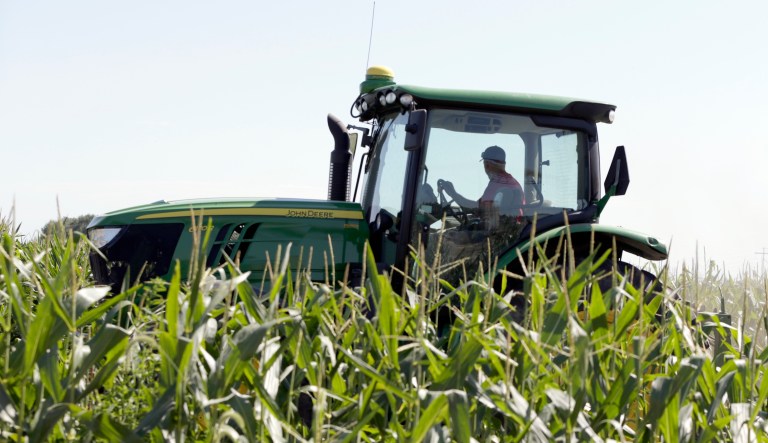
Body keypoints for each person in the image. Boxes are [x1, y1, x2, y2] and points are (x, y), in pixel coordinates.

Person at [440, 145, 524, 217]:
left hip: (495, 231)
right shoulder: (515, 183)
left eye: (484, 164)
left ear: (487, 165)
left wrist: (452, 193)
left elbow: (474, 208)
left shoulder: (496, 184)